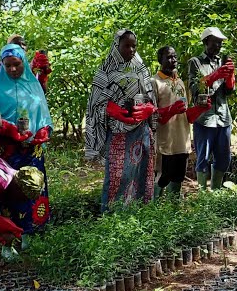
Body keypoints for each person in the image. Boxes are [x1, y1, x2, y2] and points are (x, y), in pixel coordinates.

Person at [84, 30, 164, 209]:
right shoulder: (105, 70)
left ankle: (139, 215)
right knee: (117, 176)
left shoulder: (141, 68)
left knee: (142, 174)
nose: (131, 50)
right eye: (126, 45)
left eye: (134, 46)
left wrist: (147, 109)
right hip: (119, 133)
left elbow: (151, 98)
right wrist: (114, 110)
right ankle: (112, 217)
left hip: (141, 132)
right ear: (116, 46)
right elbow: (95, 103)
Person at [0, 43, 54, 236]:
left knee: (34, 186)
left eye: (16, 64)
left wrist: (42, 132)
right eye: (8, 65)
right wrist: (8, 131)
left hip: (32, 151)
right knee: (10, 191)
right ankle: (11, 236)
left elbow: (44, 117)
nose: (13, 69)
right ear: (2, 65)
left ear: (24, 62)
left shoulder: (33, 87)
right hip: (9, 152)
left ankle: (35, 232)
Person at [185, 27, 236, 191]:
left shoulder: (222, 61)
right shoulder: (195, 62)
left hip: (223, 117)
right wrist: (216, 75)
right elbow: (195, 89)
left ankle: (215, 191)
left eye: (220, 43)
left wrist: (230, 76)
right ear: (206, 42)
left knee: (224, 158)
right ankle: (202, 195)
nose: (218, 46)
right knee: (203, 157)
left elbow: (228, 92)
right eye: (215, 42)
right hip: (204, 118)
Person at [153, 45, 197, 198]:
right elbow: (153, 113)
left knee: (178, 177)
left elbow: (185, 112)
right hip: (165, 140)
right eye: (169, 57)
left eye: (175, 57)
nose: (173, 60)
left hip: (182, 139)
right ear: (160, 60)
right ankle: (155, 209)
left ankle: (173, 210)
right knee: (162, 177)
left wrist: (201, 108)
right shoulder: (155, 82)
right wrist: (171, 110)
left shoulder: (179, 82)